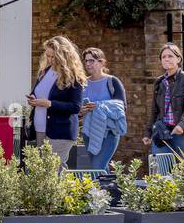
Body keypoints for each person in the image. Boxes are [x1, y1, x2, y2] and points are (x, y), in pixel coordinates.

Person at [27, 35, 86, 165]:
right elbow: (37, 93)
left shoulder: (74, 77)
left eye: (53, 56)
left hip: (59, 132)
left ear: (63, 57)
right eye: (47, 55)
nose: (49, 59)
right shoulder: (45, 72)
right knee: (42, 173)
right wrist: (33, 99)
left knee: (54, 172)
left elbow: (75, 107)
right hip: (40, 129)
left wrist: (49, 104)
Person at [79, 47, 127, 174]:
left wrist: (99, 106)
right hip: (89, 132)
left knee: (96, 167)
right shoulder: (83, 83)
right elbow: (77, 109)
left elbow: (122, 107)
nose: (88, 64)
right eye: (86, 61)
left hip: (109, 132)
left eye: (92, 61)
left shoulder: (112, 82)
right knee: (101, 169)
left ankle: (94, 194)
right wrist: (81, 111)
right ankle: (105, 193)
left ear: (102, 62)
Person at [146, 42, 184, 160]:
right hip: (161, 132)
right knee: (162, 170)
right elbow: (154, 110)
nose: (166, 59)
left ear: (178, 59)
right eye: (163, 57)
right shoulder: (159, 82)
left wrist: (182, 125)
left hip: (182, 133)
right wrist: (148, 133)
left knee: (183, 171)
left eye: (170, 56)